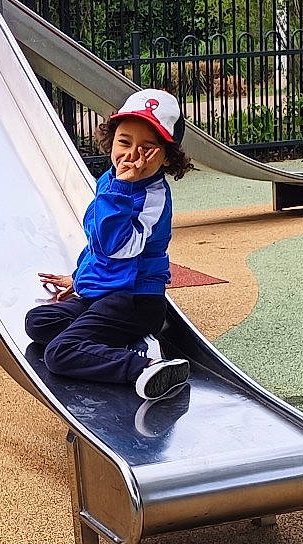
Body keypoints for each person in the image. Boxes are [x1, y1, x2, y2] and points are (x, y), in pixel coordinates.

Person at [27, 88, 192, 401]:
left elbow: (116, 248)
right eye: (125, 142)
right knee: (38, 322)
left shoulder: (151, 198)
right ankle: (115, 341)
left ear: (167, 156)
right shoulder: (111, 179)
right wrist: (78, 278)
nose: (131, 155)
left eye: (147, 148)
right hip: (104, 292)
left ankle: (146, 365)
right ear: (112, 139)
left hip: (134, 300)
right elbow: (95, 239)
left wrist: (121, 189)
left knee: (60, 353)